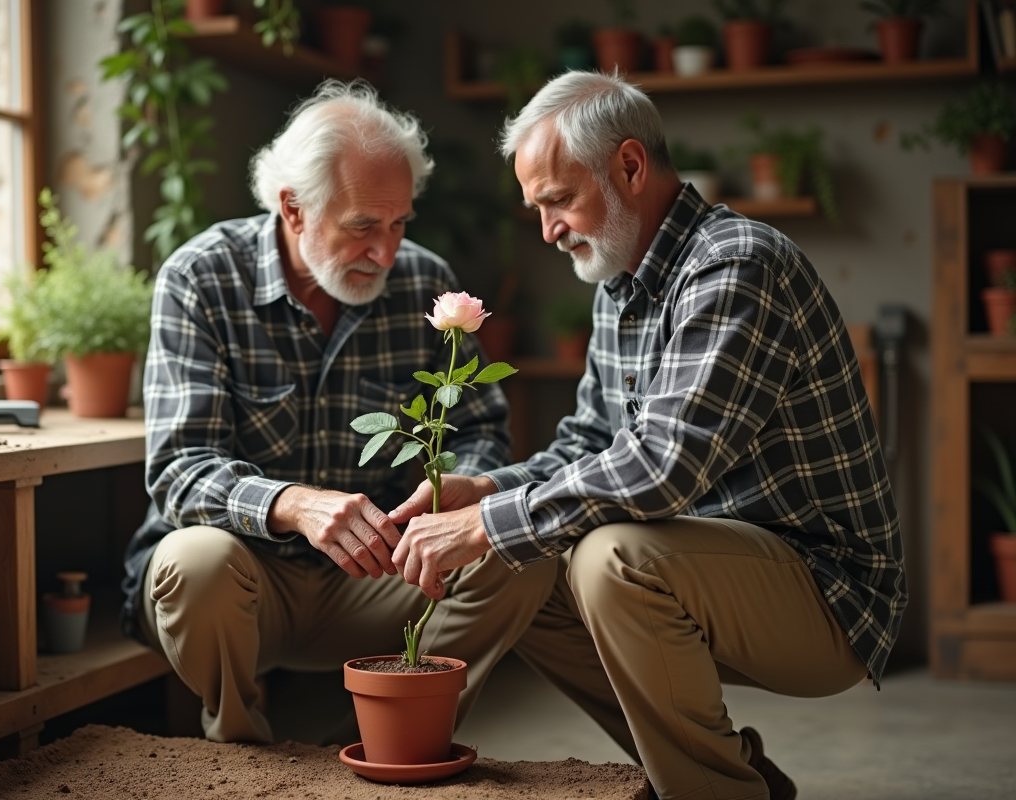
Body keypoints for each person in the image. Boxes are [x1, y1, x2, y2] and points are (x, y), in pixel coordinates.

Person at [389, 70, 906, 800]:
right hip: (707, 567)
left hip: (828, 596)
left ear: (630, 166)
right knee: (520, 563)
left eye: (559, 200)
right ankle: (732, 777)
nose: (547, 230)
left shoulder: (736, 265)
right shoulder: (619, 284)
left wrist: (486, 523)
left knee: (609, 558)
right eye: (537, 208)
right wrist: (487, 490)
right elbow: (589, 444)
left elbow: (663, 468)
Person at [120, 79, 556, 745]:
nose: (385, 252)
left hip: (379, 579)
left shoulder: (423, 280)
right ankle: (241, 751)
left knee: (521, 547)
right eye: (361, 227)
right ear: (293, 209)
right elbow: (179, 470)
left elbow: (481, 430)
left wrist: (458, 495)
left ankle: (380, 744)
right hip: (241, 584)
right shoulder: (201, 277)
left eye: (399, 223)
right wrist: (295, 504)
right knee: (195, 561)